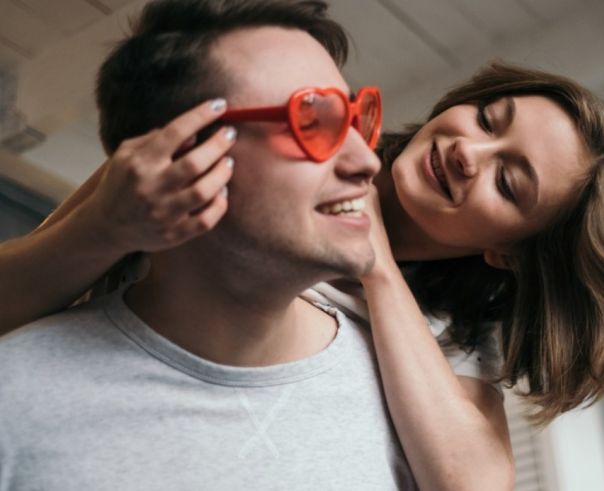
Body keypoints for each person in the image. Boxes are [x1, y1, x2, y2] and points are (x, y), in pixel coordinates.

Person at [0, 1, 604, 490]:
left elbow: (473, 482)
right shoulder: (274, 134)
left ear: (509, 253)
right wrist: (106, 227)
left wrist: (370, 258)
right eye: (487, 119)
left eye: (507, 181)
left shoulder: (450, 345)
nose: (467, 153)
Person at [0, 1, 419, 489]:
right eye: (312, 121)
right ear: (184, 158)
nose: (367, 162)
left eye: (353, 121)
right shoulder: (17, 396)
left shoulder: (402, 405)